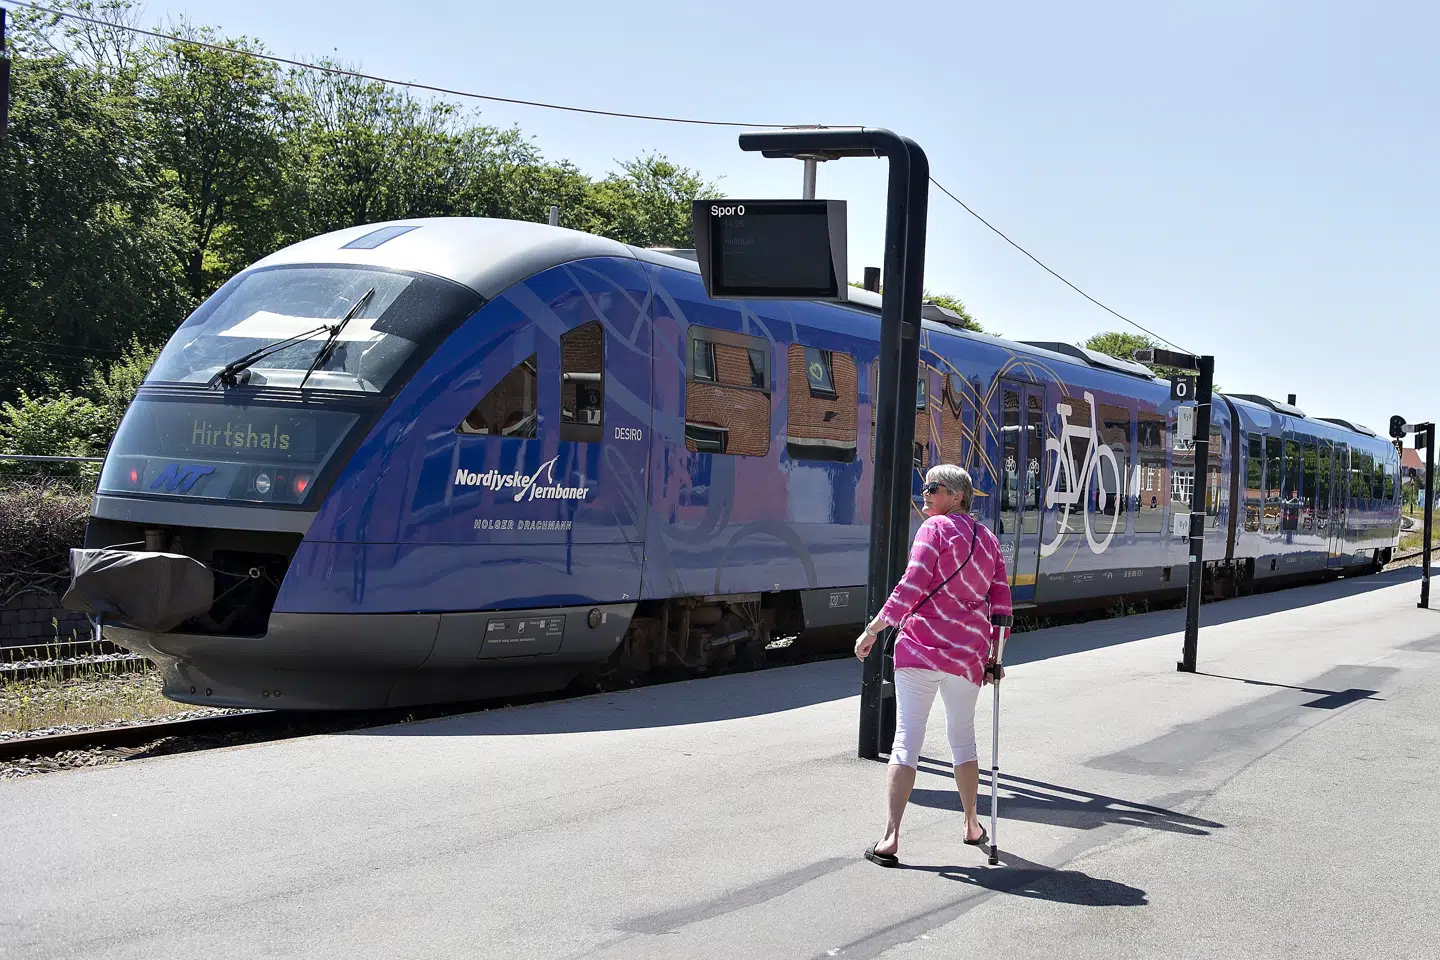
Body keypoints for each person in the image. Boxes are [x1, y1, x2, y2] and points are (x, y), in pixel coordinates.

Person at [855, 463, 1012, 867]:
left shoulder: (934, 529)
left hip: (920, 649)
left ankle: (890, 837)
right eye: (925, 486)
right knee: (963, 737)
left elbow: (911, 586)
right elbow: (1002, 609)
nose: (924, 493)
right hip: (967, 654)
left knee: (907, 739)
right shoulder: (990, 541)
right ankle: (972, 824)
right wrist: (995, 658)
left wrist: (872, 630)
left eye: (933, 487)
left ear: (958, 496)